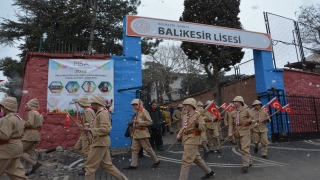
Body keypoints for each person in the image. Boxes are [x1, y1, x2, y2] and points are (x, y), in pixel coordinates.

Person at [82, 94, 128, 180]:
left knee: (90, 166)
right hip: (101, 141)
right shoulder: (100, 112)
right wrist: (88, 127)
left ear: (97, 102)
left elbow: (106, 129)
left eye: (92, 103)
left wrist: (90, 130)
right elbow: (100, 127)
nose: (91, 105)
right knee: (106, 165)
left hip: (100, 142)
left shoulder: (102, 113)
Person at [176, 98, 214, 180]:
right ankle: (209, 171)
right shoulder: (185, 115)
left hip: (193, 138)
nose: (184, 107)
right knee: (196, 158)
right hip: (186, 138)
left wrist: (197, 124)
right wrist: (179, 134)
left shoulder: (198, 115)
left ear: (192, 105)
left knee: (186, 159)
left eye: (186, 105)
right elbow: (184, 127)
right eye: (184, 105)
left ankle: (182, 178)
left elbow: (203, 127)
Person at [124, 99, 160, 169]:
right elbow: (134, 125)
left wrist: (140, 122)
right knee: (134, 149)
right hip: (136, 133)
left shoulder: (144, 112)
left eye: (136, 104)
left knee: (148, 149)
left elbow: (150, 122)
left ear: (140, 104)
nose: (134, 106)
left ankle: (156, 161)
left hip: (143, 133)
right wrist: (132, 132)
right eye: (133, 105)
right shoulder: (137, 113)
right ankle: (133, 164)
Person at [0, 97, 28, 179]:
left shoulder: (8, 119)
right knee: (16, 173)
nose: (1, 108)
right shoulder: (18, 118)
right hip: (16, 147)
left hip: (7, 149)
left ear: (6, 107)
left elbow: (4, 136)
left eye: (2, 106)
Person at [228, 96, 255, 173]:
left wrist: (250, 121)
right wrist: (230, 133)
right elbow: (230, 124)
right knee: (241, 148)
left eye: (236, 101)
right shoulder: (232, 112)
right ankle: (249, 160)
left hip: (245, 131)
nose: (234, 103)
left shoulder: (247, 111)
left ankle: (245, 165)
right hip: (236, 132)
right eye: (234, 102)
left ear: (240, 102)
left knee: (244, 148)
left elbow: (254, 119)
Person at [21, 98, 43, 176]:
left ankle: (35, 163)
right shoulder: (40, 114)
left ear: (32, 105)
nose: (28, 107)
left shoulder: (32, 113)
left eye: (29, 105)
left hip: (30, 135)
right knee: (28, 153)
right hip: (37, 134)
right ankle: (24, 171)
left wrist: (22, 122)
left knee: (19, 150)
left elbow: (30, 123)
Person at [74, 96, 95, 175]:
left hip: (87, 134)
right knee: (77, 148)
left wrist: (81, 126)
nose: (79, 104)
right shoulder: (87, 110)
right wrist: (80, 125)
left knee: (86, 151)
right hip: (84, 133)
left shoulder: (88, 111)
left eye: (80, 103)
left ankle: (88, 168)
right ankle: (90, 161)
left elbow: (90, 124)